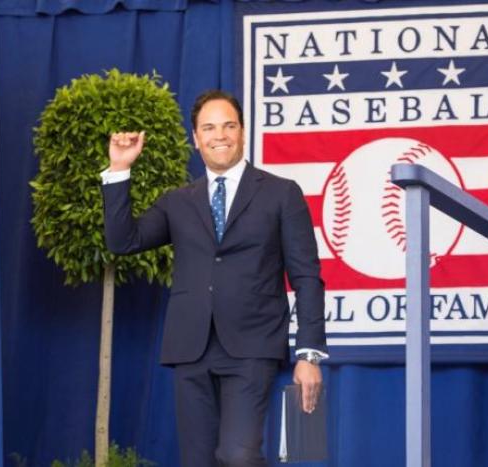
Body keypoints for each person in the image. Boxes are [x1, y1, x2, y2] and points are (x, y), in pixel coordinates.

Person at [101, 90, 327, 467]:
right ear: (195, 138)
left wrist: (309, 353)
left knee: (238, 455)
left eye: (228, 126)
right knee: (200, 461)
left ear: (241, 131)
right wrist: (120, 169)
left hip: (253, 346)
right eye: (208, 128)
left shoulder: (281, 194)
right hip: (191, 347)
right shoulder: (178, 201)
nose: (219, 135)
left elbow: (306, 276)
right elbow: (124, 240)